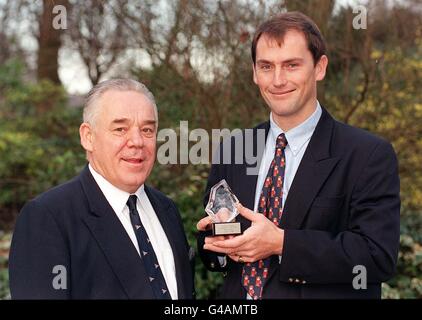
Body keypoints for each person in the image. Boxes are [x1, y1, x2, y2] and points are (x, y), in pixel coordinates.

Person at [197, 12, 400, 299]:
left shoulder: (367, 155)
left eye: (291, 65)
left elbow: (377, 256)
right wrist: (218, 242)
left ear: (320, 67)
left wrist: (282, 243)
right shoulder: (235, 148)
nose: (278, 80)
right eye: (266, 66)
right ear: (254, 73)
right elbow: (213, 247)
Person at [9, 79, 195, 299]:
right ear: (88, 137)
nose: (136, 141)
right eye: (120, 129)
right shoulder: (48, 218)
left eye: (147, 130)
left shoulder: (167, 210)